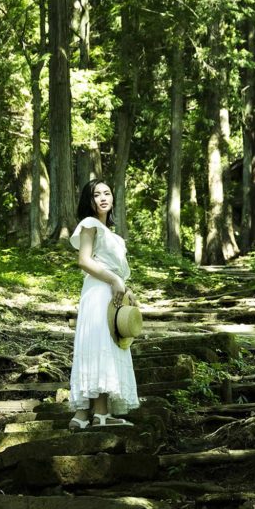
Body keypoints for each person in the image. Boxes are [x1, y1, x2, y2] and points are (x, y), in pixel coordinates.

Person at [67, 179, 140, 428]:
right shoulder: (89, 224)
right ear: (89, 201)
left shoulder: (114, 235)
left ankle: (94, 414)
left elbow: (116, 270)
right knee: (98, 345)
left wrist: (124, 289)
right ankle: (91, 413)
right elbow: (84, 261)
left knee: (107, 347)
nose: (103, 198)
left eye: (107, 193)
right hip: (98, 291)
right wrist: (114, 280)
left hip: (112, 293)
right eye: (96, 194)